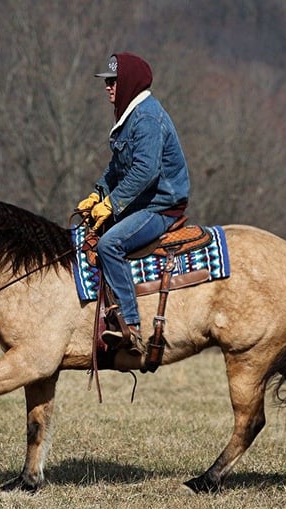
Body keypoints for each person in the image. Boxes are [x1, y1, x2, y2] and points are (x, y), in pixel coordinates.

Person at [76, 53, 190, 356]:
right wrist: (98, 194)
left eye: (113, 81)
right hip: (140, 203)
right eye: (107, 82)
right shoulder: (129, 117)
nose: (108, 87)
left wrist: (111, 204)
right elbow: (117, 167)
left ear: (128, 83)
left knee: (109, 245)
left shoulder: (147, 118)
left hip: (160, 208)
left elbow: (145, 171)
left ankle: (131, 326)